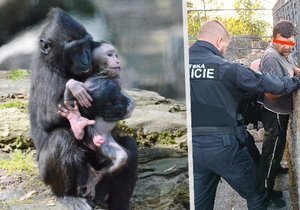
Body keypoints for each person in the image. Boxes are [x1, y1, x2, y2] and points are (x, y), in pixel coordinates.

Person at [189, 20, 300, 210]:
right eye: (226, 45)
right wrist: (296, 80)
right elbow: (271, 85)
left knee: (199, 204)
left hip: (192, 147)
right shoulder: (227, 68)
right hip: (224, 146)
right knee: (257, 195)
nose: (224, 50)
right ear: (219, 41)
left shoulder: (178, 64)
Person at [257, 20, 300, 208]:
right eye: (285, 43)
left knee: (278, 146)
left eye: (292, 43)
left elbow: (292, 69)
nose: (289, 47)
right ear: (274, 39)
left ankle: (274, 169)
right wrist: (296, 82)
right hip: (273, 113)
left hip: (281, 112)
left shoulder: (285, 52)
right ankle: (265, 192)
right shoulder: (272, 57)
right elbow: (270, 92)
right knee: (270, 151)